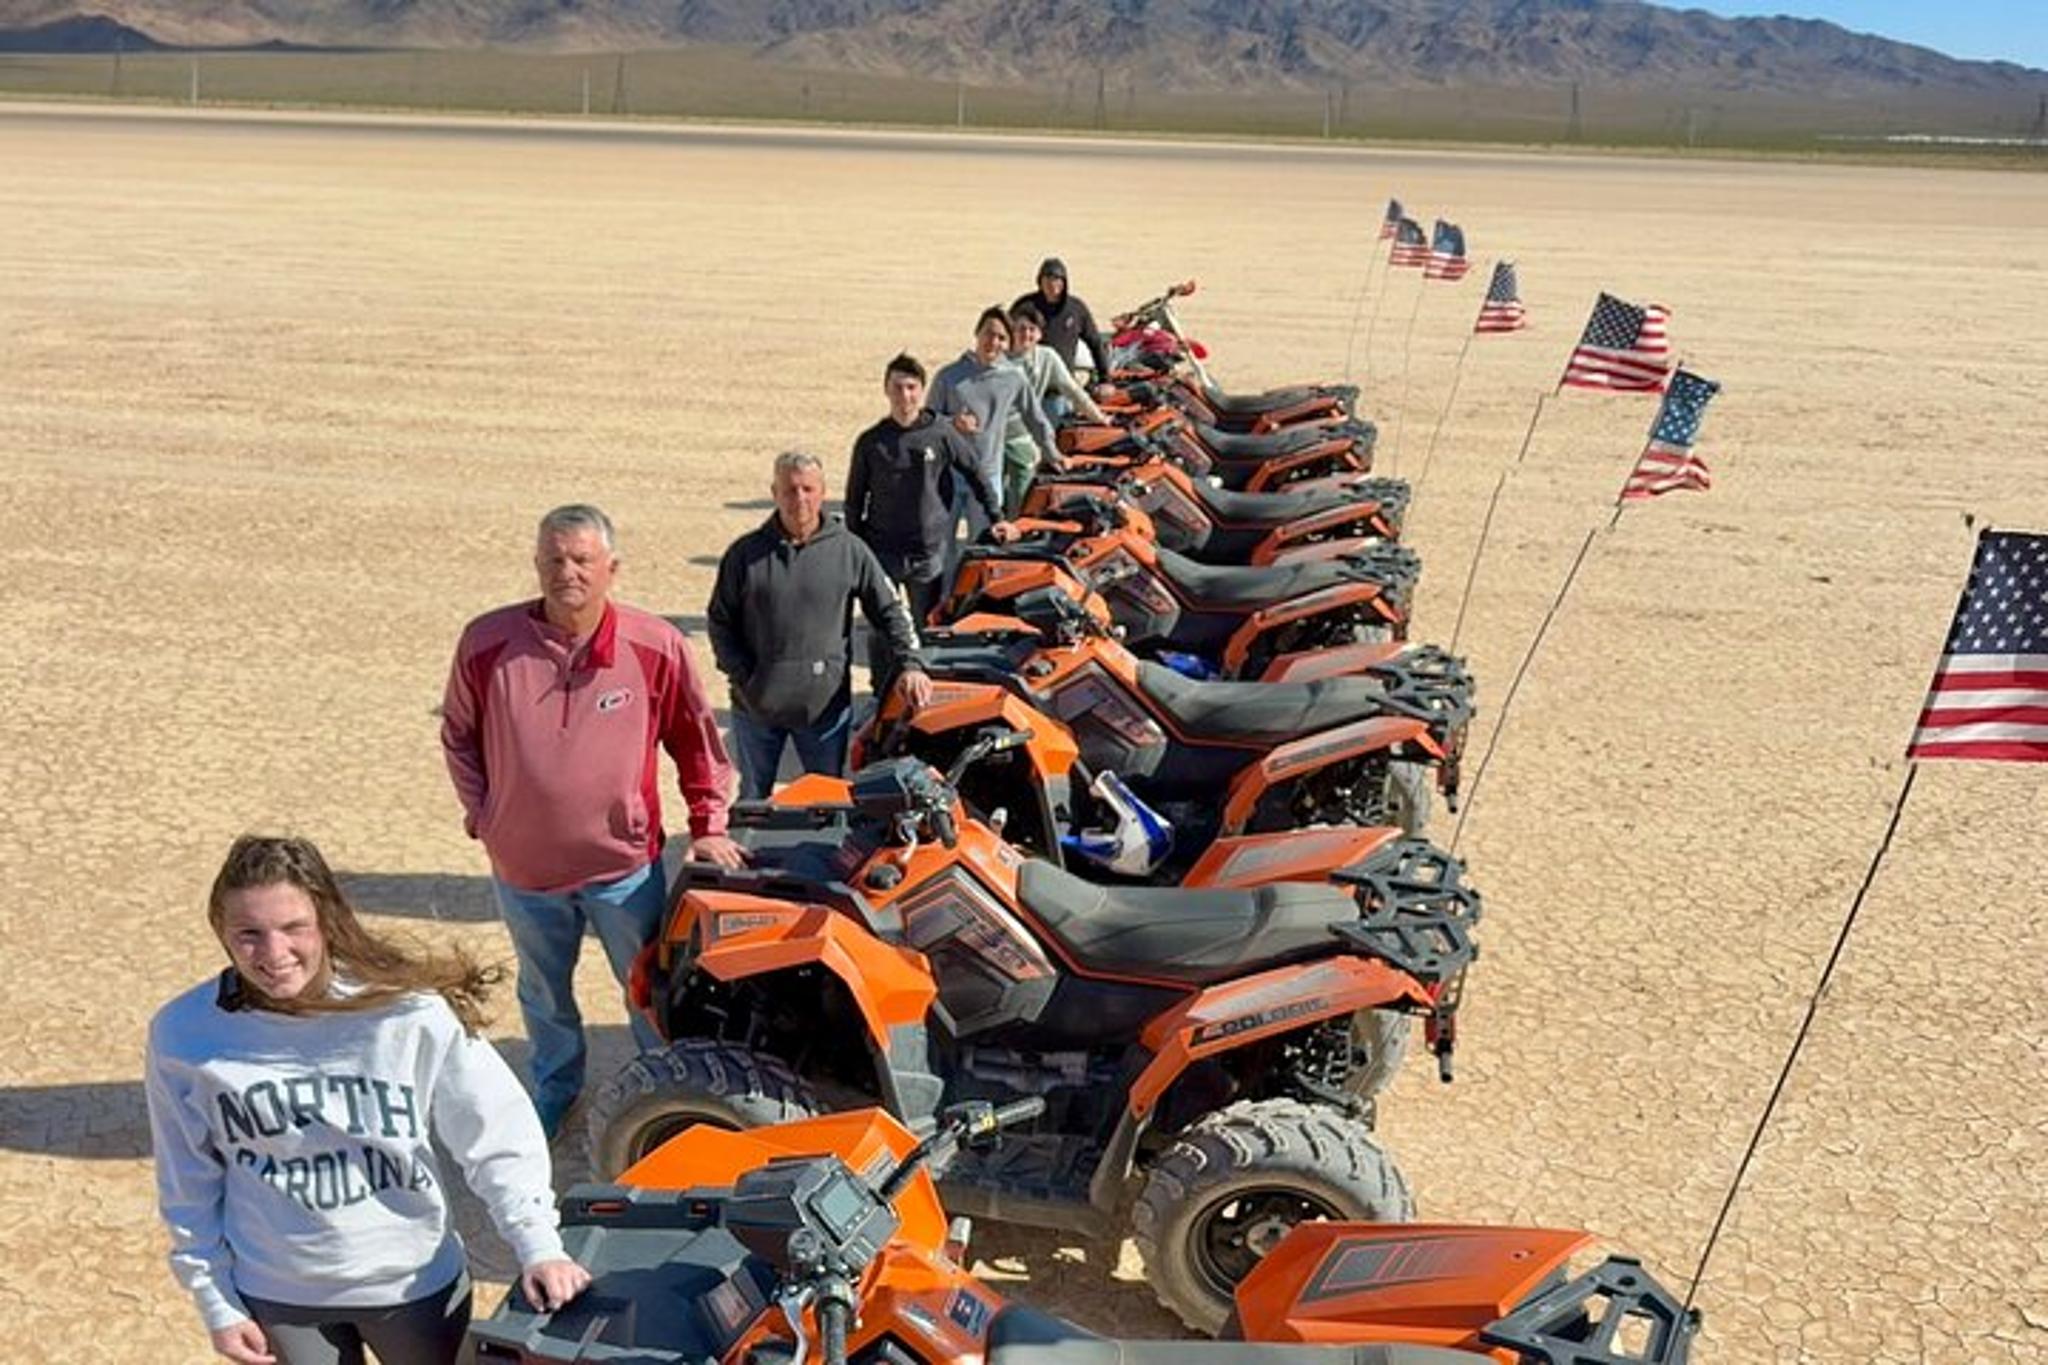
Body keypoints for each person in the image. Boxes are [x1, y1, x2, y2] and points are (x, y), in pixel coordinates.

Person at [145, 834, 591, 1365]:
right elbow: (186, 1179)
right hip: (278, 1294)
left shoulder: (409, 1013)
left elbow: (494, 1130)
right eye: (249, 934)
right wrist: (216, 1300)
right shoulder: (182, 1034)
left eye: (293, 928)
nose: (273, 953)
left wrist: (537, 1244)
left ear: (327, 921)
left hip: (413, 1288)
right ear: (221, 933)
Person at [439, 504, 743, 1139]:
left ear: (612, 568)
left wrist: (709, 822)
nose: (567, 572)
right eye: (553, 559)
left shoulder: (654, 645)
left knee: (649, 995)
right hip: (524, 871)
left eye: (581, 560)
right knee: (544, 995)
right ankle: (555, 1090)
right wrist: (484, 813)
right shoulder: (487, 643)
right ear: (536, 565)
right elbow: (459, 734)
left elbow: (697, 742)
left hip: (623, 872)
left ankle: (666, 1095)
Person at [708, 451, 934, 799]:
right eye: (790, 490)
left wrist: (910, 663)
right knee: (754, 799)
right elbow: (720, 621)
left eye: (808, 489)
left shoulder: (849, 551)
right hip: (756, 708)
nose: (800, 499)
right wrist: (743, 674)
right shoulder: (744, 554)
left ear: (823, 491)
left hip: (824, 713)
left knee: (826, 801)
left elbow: (890, 610)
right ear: (774, 492)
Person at [846, 353, 1015, 626]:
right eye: (897, 387)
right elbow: (854, 500)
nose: (904, 395)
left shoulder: (941, 434)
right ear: (886, 390)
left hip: (926, 553)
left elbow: (976, 473)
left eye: (911, 387)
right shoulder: (871, 442)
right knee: (881, 630)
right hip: (882, 552)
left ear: (922, 391)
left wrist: (997, 517)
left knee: (927, 626)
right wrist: (855, 549)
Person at [1002, 300, 1112, 515]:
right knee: (991, 495)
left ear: (1040, 334)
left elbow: (1072, 390)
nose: (1026, 334)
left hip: (1023, 438)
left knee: (1021, 496)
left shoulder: (1047, 357)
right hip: (993, 438)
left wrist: (1099, 417)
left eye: (1031, 330)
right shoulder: (999, 359)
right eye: (1021, 329)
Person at [1013, 257, 1111, 385]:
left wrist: (1105, 379)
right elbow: (1007, 336)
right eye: (1047, 279)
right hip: (1029, 379)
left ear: (1064, 282)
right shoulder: (1025, 306)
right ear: (1040, 281)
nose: (1052, 284)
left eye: (1057, 279)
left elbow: (1095, 343)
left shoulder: (1076, 309)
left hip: (1063, 382)